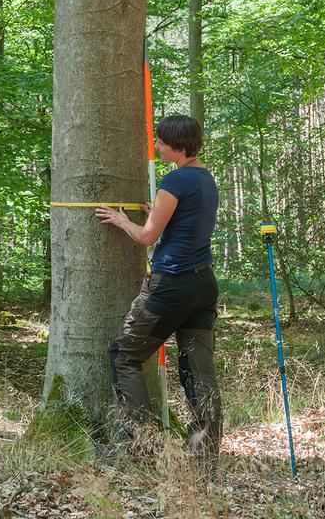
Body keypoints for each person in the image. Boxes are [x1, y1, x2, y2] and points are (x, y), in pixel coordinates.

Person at [95, 114, 222, 467]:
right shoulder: (205, 179)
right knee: (199, 371)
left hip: (171, 285)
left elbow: (147, 237)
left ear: (178, 146)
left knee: (124, 355)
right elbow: (183, 227)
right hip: (203, 285)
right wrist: (158, 217)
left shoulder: (174, 181)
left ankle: (144, 448)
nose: (157, 146)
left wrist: (122, 220)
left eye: (162, 142)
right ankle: (205, 458)